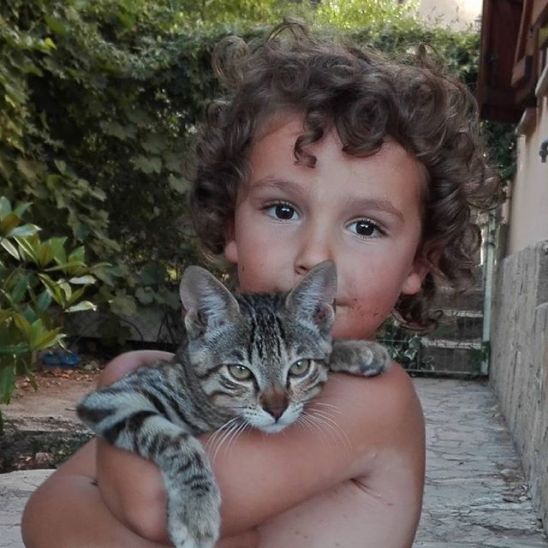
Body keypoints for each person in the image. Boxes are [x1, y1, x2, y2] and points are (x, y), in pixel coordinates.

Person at [22, 21, 496, 547]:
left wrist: (121, 383)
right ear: (230, 225)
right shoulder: (218, 388)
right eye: (283, 209)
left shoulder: (374, 399)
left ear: (419, 263)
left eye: (366, 226)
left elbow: (153, 506)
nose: (315, 256)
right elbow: (45, 512)